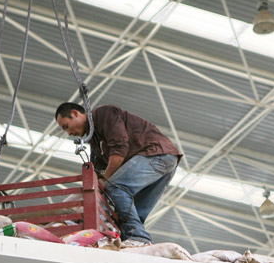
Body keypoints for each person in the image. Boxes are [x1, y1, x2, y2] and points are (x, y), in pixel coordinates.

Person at [55, 102, 182, 246]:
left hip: (155, 154)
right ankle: (135, 240)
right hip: (167, 159)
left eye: (66, 126)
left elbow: (119, 150)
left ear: (75, 113)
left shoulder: (102, 114)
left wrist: (103, 184)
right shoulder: (96, 141)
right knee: (134, 210)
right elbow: (98, 173)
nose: (69, 133)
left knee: (116, 187)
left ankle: (139, 237)